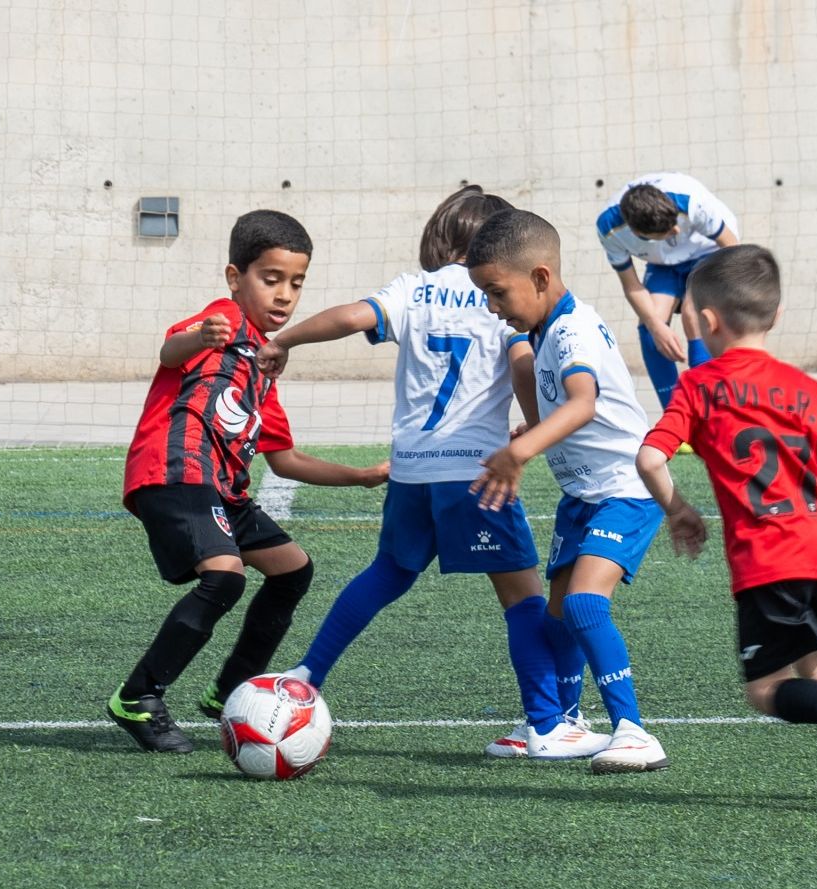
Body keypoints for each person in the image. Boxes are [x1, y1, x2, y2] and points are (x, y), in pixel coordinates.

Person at [256, 186, 608, 760]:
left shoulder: (413, 289)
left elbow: (350, 317)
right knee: (522, 596)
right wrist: (535, 427)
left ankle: (306, 674)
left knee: (389, 571)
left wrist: (284, 339)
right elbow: (521, 365)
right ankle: (546, 726)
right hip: (474, 472)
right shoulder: (499, 293)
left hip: (411, 469)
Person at [634, 244, 817, 801]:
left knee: (764, 689)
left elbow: (649, 457)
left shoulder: (697, 387)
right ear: (776, 316)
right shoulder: (805, 388)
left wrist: (679, 510)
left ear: (704, 320)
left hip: (769, 559)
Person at [109, 209, 389, 753]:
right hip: (175, 472)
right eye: (271, 278)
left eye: (296, 283)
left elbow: (284, 460)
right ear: (236, 278)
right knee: (226, 576)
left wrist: (363, 476)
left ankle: (231, 692)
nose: (284, 295)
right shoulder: (224, 320)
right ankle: (138, 696)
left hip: (221, 490)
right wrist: (200, 337)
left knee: (293, 571)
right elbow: (170, 351)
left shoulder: (265, 366)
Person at [467, 208, 669, 774]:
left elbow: (583, 402)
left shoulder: (573, 329)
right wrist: (532, 424)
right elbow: (551, 391)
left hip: (626, 489)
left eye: (496, 292)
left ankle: (634, 731)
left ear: (539, 276)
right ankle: (558, 721)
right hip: (583, 495)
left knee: (583, 603)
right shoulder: (541, 331)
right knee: (556, 616)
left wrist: (520, 452)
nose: (491, 305)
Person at [597, 172, 740, 410]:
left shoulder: (690, 202)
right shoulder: (609, 228)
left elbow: (733, 248)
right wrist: (656, 326)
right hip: (663, 263)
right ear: (638, 234)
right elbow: (631, 285)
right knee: (651, 329)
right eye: (667, 231)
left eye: (675, 224)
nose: (675, 230)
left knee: (693, 315)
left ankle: (707, 412)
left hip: (708, 250)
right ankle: (676, 415)